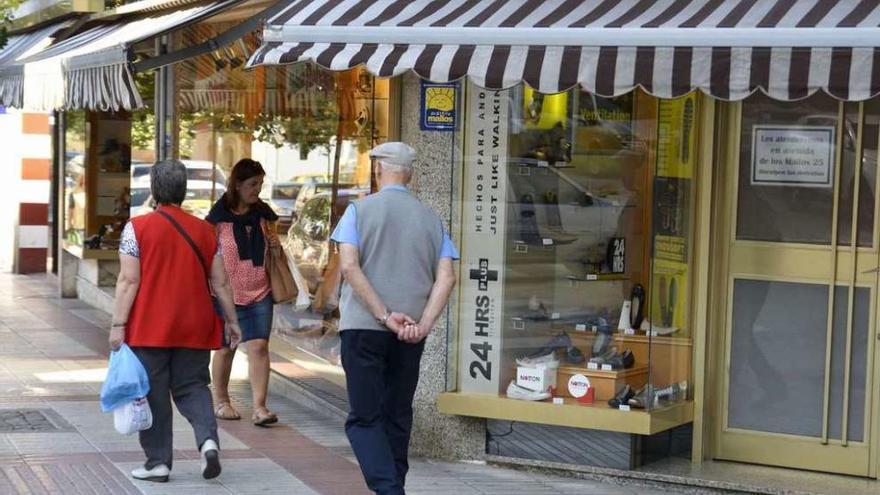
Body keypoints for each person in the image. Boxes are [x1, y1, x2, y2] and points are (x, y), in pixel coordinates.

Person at [331, 142, 459, 495]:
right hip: (410, 335)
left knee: (364, 418)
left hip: (363, 329)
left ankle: (390, 490)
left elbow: (349, 267)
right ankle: (394, 485)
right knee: (397, 415)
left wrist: (384, 315)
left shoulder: (358, 211)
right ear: (410, 174)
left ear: (378, 170)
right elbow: (447, 277)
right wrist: (423, 324)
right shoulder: (432, 219)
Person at [109, 159, 242, 483]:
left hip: (149, 326)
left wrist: (117, 324)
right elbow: (221, 282)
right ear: (182, 191)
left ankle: (158, 463)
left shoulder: (136, 228)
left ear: (154, 189)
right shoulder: (206, 231)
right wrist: (232, 321)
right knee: (193, 386)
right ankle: (208, 441)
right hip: (195, 324)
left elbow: (129, 281)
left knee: (154, 393)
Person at [207, 158, 280, 426]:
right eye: (252, 184)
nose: (257, 190)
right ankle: (221, 401)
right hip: (225, 293)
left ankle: (260, 407)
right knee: (226, 348)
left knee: (259, 346)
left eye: (260, 184)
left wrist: (274, 245)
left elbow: (274, 251)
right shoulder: (217, 218)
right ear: (237, 185)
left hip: (259, 290)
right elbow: (208, 254)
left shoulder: (264, 215)